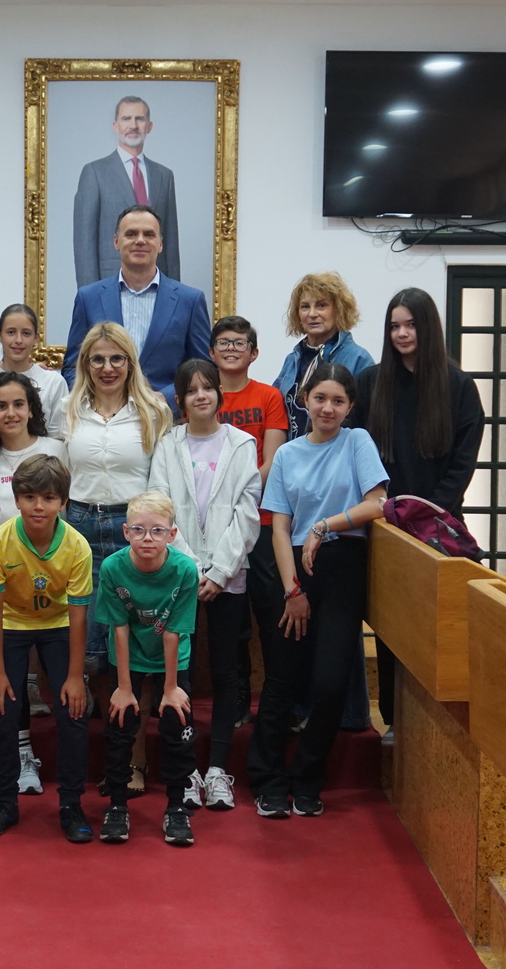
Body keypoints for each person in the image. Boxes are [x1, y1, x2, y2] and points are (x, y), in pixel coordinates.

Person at [249, 362, 389, 819]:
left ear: (350, 406)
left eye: (338, 401)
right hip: (293, 569)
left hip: (343, 566)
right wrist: (293, 591)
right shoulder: (288, 454)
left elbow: (377, 503)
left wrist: (324, 526)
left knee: (330, 683)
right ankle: (268, 780)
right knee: (282, 680)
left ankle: (307, 777)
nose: (328, 408)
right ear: (304, 400)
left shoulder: (357, 441)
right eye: (320, 398)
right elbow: (279, 527)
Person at [350, 287, 485, 734]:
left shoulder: (459, 386)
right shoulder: (370, 383)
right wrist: (383, 512)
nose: (402, 333)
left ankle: (435, 731)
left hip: (438, 528)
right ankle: (394, 722)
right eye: (394, 326)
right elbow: (355, 454)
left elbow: (463, 464)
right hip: (383, 527)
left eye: (410, 325)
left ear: (428, 328)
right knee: (392, 629)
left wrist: (425, 513)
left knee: (437, 631)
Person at [62, 321, 172, 799]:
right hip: (80, 528)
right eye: (98, 359)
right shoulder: (68, 410)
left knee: (135, 653)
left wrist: (153, 535)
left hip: (134, 530)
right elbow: (59, 473)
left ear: (130, 362)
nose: (107, 368)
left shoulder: (154, 410)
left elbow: (162, 479)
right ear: (86, 364)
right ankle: (105, 755)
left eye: (116, 359)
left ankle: (134, 760)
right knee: (92, 652)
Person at [147, 359, 260, 812]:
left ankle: (216, 770)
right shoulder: (168, 445)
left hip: (229, 575)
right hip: (181, 576)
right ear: (180, 399)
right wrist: (194, 569)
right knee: (183, 672)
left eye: (207, 388)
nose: (200, 396)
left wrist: (220, 571)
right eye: (191, 390)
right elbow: (160, 509)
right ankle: (188, 771)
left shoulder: (241, 443)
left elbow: (247, 514)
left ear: (219, 394)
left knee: (227, 672)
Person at [0, 454, 95, 843]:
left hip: (59, 625)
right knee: (2, 710)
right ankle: (5, 802)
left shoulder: (77, 546)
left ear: (63, 501)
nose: (38, 506)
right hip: (12, 624)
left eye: (48, 498)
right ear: (16, 499)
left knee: (73, 710)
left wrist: (75, 677)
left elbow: (78, 616)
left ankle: (71, 803)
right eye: (29, 497)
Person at [0, 369, 69, 790]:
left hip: (53, 579)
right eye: (1, 406)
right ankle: (23, 757)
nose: (10, 413)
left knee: (60, 675)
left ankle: (69, 768)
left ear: (31, 409)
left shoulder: (56, 449)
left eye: (18, 404)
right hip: (3, 581)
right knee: (10, 677)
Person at [96, 490, 201, 846]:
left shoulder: (185, 569)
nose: (147, 539)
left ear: (172, 534)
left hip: (172, 657)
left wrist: (170, 689)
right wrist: (124, 688)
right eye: (138, 530)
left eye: (157, 531)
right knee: (120, 726)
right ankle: (117, 805)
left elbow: (174, 632)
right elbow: (119, 628)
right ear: (126, 532)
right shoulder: (113, 568)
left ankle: (176, 806)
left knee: (176, 725)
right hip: (128, 655)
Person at [209, 315, 289, 726]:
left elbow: (272, 461)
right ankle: (237, 698)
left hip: (263, 520)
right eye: (223, 343)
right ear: (211, 352)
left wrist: (235, 495)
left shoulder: (269, 396)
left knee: (271, 612)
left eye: (239, 343)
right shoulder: (203, 396)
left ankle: (279, 701)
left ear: (253, 353)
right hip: (217, 525)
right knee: (233, 619)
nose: (231, 349)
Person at [62, 205, 210, 406]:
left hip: (166, 415)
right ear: (116, 241)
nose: (140, 240)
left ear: (160, 244)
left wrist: (165, 398)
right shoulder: (88, 298)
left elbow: (203, 368)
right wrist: (98, 400)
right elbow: (72, 367)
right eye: (131, 234)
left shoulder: (190, 300)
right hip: (104, 415)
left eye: (149, 234)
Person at [72, 95, 181, 287]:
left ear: (149, 126)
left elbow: (170, 245)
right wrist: (89, 296)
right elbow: (84, 244)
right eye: (126, 119)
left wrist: (175, 293)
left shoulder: (164, 176)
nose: (133, 125)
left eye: (139, 119)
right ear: (115, 126)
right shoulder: (95, 173)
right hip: (110, 284)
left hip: (157, 284)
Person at [275, 272, 376, 441]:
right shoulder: (292, 360)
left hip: (338, 452)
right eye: (305, 307)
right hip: (294, 452)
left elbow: (369, 421)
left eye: (321, 306)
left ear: (338, 310)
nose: (312, 314)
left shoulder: (359, 359)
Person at [0, 304, 69, 440]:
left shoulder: (54, 382)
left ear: (36, 337)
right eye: (11, 332)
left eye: (26, 333)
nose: (18, 340)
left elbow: (57, 439)